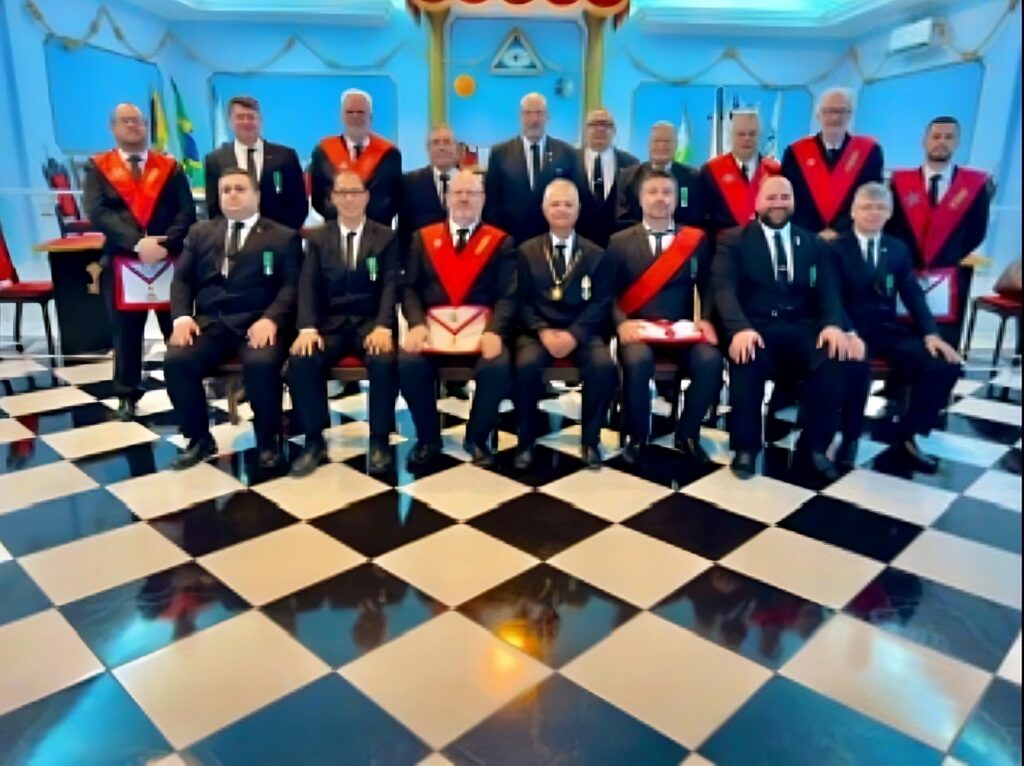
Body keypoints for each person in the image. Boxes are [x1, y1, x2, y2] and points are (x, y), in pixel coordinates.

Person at [711, 175, 848, 480]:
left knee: (833, 359)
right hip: (755, 326)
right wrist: (739, 329)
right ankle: (746, 448)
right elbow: (723, 288)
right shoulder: (734, 239)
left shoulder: (813, 243)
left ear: (794, 202)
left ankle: (814, 447)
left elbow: (828, 291)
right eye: (771, 197)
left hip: (801, 326)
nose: (778, 203)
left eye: (785, 197)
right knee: (746, 357)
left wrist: (832, 325)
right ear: (758, 201)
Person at [164, 168, 301, 470]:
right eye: (226, 190)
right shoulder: (200, 233)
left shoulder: (283, 236)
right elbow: (182, 280)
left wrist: (272, 319)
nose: (232, 195)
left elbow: (292, 286)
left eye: (240, 189)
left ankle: (268, 442)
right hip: (213, 322)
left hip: (259, 322)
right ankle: (199, 438)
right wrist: (182, 318)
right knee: (176, 361)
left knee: (262, 364)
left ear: (257, 195)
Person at [831, 183, 962, 473]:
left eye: (880, 207)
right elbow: (830, 299)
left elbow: (913, 294)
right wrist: (848, 333)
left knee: (943, 364)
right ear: (853, 211)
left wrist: (931, 334)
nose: (873, 213)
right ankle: (849, 438)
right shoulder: (834, 248)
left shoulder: (897, 249)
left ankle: (909, 434)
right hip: (849, 330)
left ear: (889, 213)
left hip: (886, 329)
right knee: (856, 367)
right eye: (866, 207)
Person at [82, 102, 196, 420]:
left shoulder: (169, 166)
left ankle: (185, 389)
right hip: (122, 260)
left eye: (138, 121)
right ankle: (126, 393)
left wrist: (164, 243)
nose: (133, 126)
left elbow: (186, 211)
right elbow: (97, 211)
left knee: (177, 327)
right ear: (113, 127)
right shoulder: (98, 167)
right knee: (126, 332)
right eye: (126, 121)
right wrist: (136, 243)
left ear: (146, 126)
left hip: (168, 259)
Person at [399, 168, 517, 467]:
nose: (464, 198)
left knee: (497, 365)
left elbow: (508, 295)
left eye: (472, 193)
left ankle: (476, 438)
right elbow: (409, 288)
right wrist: (416, 325)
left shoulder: (500, 242)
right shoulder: (423, 239)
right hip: (433, 331)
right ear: (447, 198)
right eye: (458, 192)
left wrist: (495, 331)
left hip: (480, 332)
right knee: (409, 362)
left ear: (483, 199)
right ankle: (428, 439)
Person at [287, 170, 399, 477]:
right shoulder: (317, 238)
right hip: (329, 325)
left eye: (355, 192)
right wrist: (307, 328)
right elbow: (307, 285)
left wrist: (384, 327)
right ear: (333, 199)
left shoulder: (386, 237)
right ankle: (314, 440)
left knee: (384, 360)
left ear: (366, 197)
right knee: (301, 359)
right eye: (342, 193)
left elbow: (391, 286)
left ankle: (380, 439)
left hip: (370, 324)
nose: (349, 198)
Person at [611, 168, 723, 466]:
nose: (660, 198)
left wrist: (706, 318)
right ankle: (637, 436)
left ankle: (688, 434)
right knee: (637, 362)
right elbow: (606, 294)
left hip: (680, 330)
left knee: (711, 361)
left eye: (667, 192)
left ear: (677, 199)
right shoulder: (619, 242)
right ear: (641, 199)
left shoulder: (695, 240)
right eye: (653, 192)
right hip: (638, 329)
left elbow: (709, 286)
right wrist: (621, 323)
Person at [513, 178, 616, 470]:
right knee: (524, 366)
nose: (561, 209)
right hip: (537, 332)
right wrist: (543, 331)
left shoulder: (596, 254)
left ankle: (591, 440)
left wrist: (575, 334)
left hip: (581, 331)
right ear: (544, 209)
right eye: (555, 204)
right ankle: (526, 440)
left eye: (568, 204)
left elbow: (601, 302)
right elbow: (520, 300)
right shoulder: (526, 251)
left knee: (603, 366)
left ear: (578, 210)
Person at [887, 116, 994, 349]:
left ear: (957, 143)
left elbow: (977, 230)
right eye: (936, 137)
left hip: (949, 276)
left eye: (948, 137)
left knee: (942, 349)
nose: (941, 142)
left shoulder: (974, 185)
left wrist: (949, 255)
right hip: (905, 273)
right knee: (902, 346)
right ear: (924, 141)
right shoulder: (899, 183)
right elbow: (890, 227)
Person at [781, 87, 883, 239]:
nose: (835, 118)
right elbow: (788, 197)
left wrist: (838, 231)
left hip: (851, 238)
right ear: (818, 115)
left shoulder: (869, 152)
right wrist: (814, 235)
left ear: (850, 115)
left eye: (841, 111)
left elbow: (871, 197)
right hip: (806, 237)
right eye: (828, 111)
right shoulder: (795, 152)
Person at [483, 92, 584, 244]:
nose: (534, 120)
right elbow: (492, 202)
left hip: (553, 238)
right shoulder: (500, 153)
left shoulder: (566, 152)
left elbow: (575, 197)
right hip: (510, 239)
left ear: (547, 116)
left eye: (539, 113)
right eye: (528, 113)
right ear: (520, 116)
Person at [204, 95, 308, 230]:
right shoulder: (215, 159)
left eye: (251, 117)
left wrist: (284, 234)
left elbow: (299, 203)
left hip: (280, 235)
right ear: (230, 122)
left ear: (260, 121)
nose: (246, 122)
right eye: (240, 117)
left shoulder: (286, 157)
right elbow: (213, 206)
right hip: (233, 236)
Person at [310, 88, 402, 225]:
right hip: (335, 229)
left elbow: (395, 198)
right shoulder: (322, 152)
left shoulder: (390, 154)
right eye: (350, 112)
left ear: (370, 116)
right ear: (341, 116)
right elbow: (319, 198)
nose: (355, 117)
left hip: (378, 230)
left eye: (360, 112)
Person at [699, 110, 781, 239]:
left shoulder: (775, 171)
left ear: (759, 136)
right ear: (731, 136)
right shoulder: (710, 171)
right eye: (741, 134)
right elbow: (702, 218)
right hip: (724, 246)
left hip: (766, 244)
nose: (747, 138)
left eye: (752, 134)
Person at [615, 121, 703, 232]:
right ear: (649, 144)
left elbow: (692, 215)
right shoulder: (629, 176)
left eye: (667, 141)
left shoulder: (691, 178)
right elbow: (622, 215)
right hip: (637, 238)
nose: (662, 146)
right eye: (657, 141)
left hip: (679, 239)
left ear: (676, 145)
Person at [573, 108, 639, 247]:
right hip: (579, 244)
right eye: (594, 124)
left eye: (605, 124)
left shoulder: (631, 163)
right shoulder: (569, 160)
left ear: (614, 130)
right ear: (585, 130)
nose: (600, 129)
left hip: (618, 246)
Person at [398, 124, 459, 248]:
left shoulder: (473, 183)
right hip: (422, 255)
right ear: (428, 149)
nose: (442, 147)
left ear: (456, 148)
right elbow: (404, 230)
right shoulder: (410, 183)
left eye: (447, 142)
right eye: (435, 143)